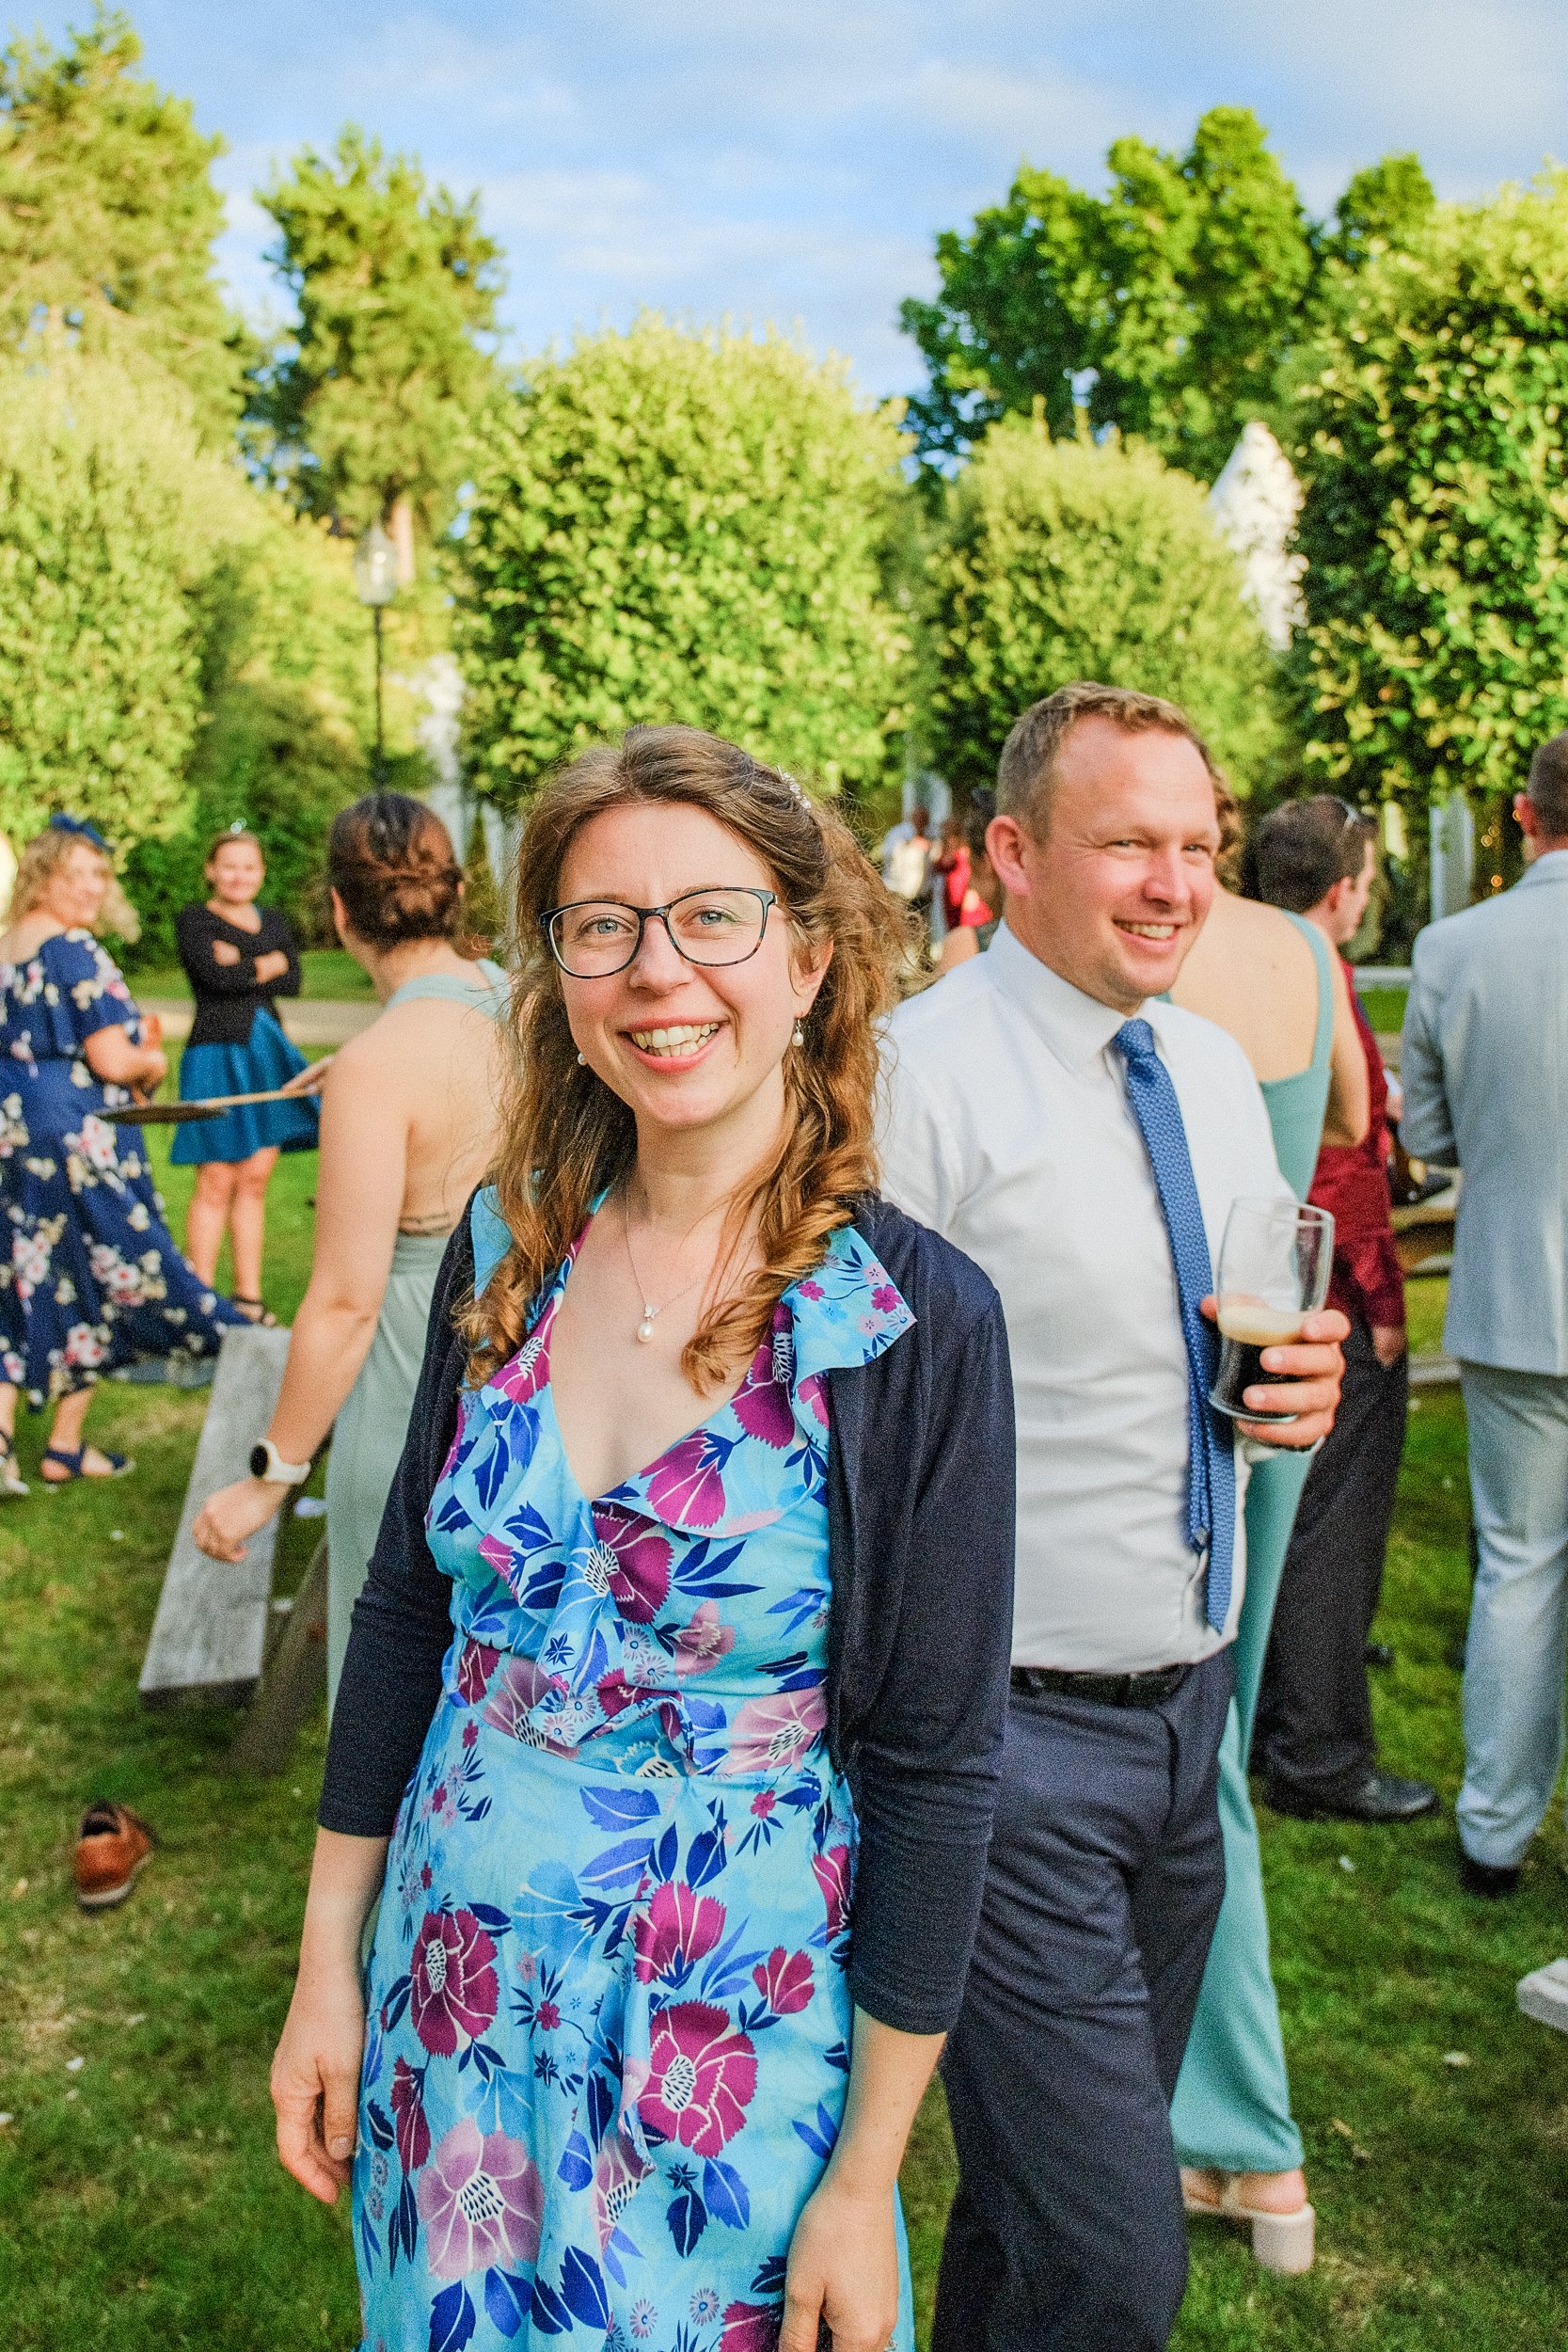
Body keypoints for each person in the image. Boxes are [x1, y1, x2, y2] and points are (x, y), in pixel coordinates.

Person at [267, 727, 1016, 2352]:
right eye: (601, 925)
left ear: (811, 958)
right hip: (452, 2009)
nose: (656, 970)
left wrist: (863, 2174)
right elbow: (406, 1615)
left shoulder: (908, 1324)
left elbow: (939, 1766)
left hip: (733, 2050)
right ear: (556, 969)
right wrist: (329, 1966)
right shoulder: (504, 1241)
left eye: (711, 917)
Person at [880, 681, 1349, 2352]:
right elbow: (832, 1438)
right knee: (1113, 2262)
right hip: (999, 1747)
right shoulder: (911, 1083)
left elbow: (1233, 1318)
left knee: (1030, 2215)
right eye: (1130, 845)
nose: (1175, 884)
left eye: (1199, 848)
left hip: (1185, 1729)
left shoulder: (1206, 1065)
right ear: (1008, 853)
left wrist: (1297, 1388)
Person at [1166, 820, 1370, 2268]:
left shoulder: (1141, 975)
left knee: (1190, 1762)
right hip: (1280, 1359)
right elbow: (1352, 1121)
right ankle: (1215, 2134)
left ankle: (1247, 2144)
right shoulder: (1302, 947)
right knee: (1203, 1749)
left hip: (1189, 1387)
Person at [192, 794, 510, 1701]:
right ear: (453, 892)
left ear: (339, 910)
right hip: (530, 1367)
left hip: (418, 1382)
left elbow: (344, 1302)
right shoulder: (531, 1006)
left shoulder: (381, 1064)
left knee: (394, 1694)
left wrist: (270, 1476)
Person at [1401, 731, 1568, 1897]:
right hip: (1510, 1299)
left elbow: (1428, 1138)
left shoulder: (1455, 945)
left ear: (1521, 814)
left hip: (1514, 1294)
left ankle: (1492, 1831)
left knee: (1517, 1562)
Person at [1251, 797, 1437, 1826]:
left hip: (1270, 1278)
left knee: (1282, 1519)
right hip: (1327, 1290)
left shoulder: (1237, 961)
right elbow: (1344, 1167)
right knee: (1331, 1531)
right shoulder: (1314, 969)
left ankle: (1274, 1717)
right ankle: (1316, 1751)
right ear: (1342, 889)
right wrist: (1381, 1300)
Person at [0, 818, 246, 1489]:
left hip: (10, 1129)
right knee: (110, 1267)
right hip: (73, 1130)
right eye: (72, 873)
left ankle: (14, 1445)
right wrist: (147, 1053)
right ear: (41, 876)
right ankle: (224, 1340)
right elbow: (113, 1058)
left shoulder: (6, 947)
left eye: (97, 874)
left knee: (23, 1270)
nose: (87, 888)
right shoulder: (73, 950)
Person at [174, 825, 318, 1324]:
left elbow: (294, 978)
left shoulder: (273, 919)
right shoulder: (193, 920)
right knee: (215, 1177)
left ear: (262, 872)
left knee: (255, 1179)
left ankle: (248, 1299)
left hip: (266, 1052)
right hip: (215, 1052)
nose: (240, 875)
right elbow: (214, 979)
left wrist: (244, 962)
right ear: (211, 871)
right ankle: (199, 1303)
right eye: (230, 865)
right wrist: (267, 963)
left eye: (250, 866)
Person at [936, 792, 1002, 974]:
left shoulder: (967, 947)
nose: (971, 884)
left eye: (972, 866)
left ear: (988, 862)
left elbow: (959, 900)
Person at [879, 800, 932, 907]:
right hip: (897, 891)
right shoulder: (898, 833)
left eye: (924, 818)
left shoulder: (932, 835)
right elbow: (887, 853)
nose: (921, 820)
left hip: (920, 895)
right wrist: (909, 843)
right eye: (918, 817)